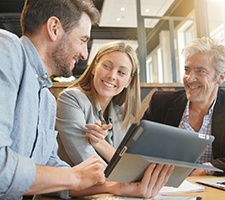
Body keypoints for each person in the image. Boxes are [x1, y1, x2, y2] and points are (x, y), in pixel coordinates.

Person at [0, 0, 173, 199]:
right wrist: (73, 176)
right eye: (82, 40)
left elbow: (52, 174)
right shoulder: (6, 49)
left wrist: (117, 187)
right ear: (54, 28)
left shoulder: (46, 100)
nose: (84, 54)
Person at [142, 37, 225, 176]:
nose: (190, 78)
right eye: (187, 70)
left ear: (220, 78)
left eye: (200, 71)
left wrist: (205, 169)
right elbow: (141, 148)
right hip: (165, 187)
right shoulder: (161, 103)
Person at [56, 41, 141, 164]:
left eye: (121, 72)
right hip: (75, 182)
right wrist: (123, 177)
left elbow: (129, 165)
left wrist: (100, 144)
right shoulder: (71, 98)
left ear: (128, 81)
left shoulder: (120, 113)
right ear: (94, 67)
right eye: (106, 66)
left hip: (113, 182)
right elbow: (87, 161)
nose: (112, 76)